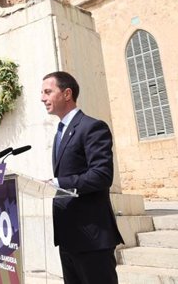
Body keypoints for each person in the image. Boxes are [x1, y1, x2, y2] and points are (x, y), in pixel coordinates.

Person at [41, 71, 124, 284]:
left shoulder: (92, 127)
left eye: (48, 92)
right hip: (69, 237)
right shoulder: (60, 132)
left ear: (67, 94)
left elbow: (101, 175)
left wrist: (59, 183)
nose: (43, 98)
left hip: (92, 238)